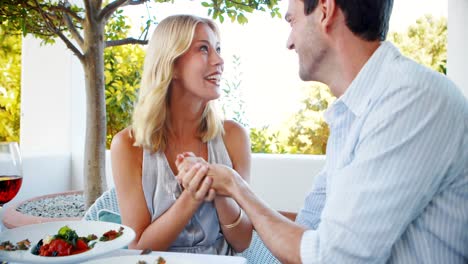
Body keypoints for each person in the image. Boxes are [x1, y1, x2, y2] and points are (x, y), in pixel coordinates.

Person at [177, 0, 468, 263]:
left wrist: (236, 186)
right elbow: (307, 231)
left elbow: (330, 258)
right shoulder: (352, 115)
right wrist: (230, 193)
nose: (289, 43)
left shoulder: (411, 98)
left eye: (292, 22)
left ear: (325, 12)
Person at [110, 14, 253, 255]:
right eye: (204, 49)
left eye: (218, 48)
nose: (220, 60)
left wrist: (219, 186)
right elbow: (138, 247)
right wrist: (193, 195)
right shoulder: (127, 145)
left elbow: (242, 241)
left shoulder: (234, 137)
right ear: (172, 65)